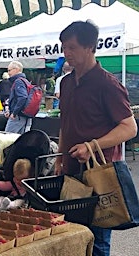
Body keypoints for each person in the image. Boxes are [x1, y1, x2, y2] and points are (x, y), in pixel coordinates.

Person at [55, 20, 137, 256]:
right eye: (63, 47)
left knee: (98, 239)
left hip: (100, 174)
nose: (66, 53)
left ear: (90, 46)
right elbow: (65, 124)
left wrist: (92, 146)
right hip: (72, 170)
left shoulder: (107, 84)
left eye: (71, 47)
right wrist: (60, 159)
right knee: (73, 234)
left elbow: (129, 128)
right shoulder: (67, 82)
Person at [4, 61, 32, 134]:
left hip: (18, 116)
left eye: (9, 70)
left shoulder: (18, 82)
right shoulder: (25, 81)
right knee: (20, 140)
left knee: (7, 139)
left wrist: (14, 113)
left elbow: (23, 97)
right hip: (23, 115)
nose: (8, 73)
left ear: (16, 69)